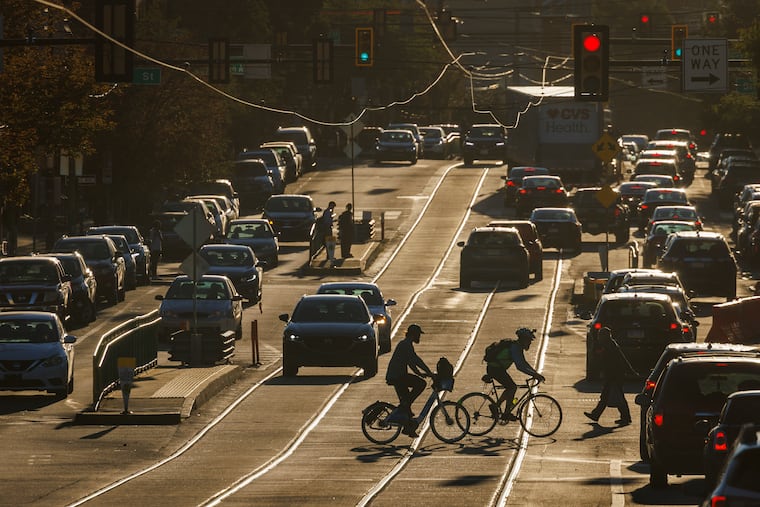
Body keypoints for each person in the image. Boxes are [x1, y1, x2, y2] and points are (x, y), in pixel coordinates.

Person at [486, 327, 545, 421]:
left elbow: (524, 363)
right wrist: (535, 375)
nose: (529, 343)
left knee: (511, 387)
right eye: (528, 340)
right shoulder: (515, 348)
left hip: (498, 369)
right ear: (523, 339)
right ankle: (503, 411)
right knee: (512, 387)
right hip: (495, 369)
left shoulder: (517, 347)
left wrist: (535, 373)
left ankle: (500, 409)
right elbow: (520, 366)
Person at [385, 324, 434, 437]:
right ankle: (405, 406)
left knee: (407, 403)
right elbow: (416, 360)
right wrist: (429, 373)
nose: (419, 337)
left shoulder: (406, 344)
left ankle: (408, 427)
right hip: (397, 377)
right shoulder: (405, 344)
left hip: (399, 376)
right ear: (413, 334)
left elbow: (410, 362)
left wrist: (419, 373)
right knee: (421, 384)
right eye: (418, 335)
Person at [584, 327, 637, 425]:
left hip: (614, 376)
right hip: (612, 375)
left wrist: (631, 371)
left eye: (600, 335)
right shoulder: (608, 345)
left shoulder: (610, 346)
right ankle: (597, 414)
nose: (599, 337)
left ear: (605, 336)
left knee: (617, 396)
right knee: (608, 396)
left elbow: (621, 359)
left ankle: (625, 417)